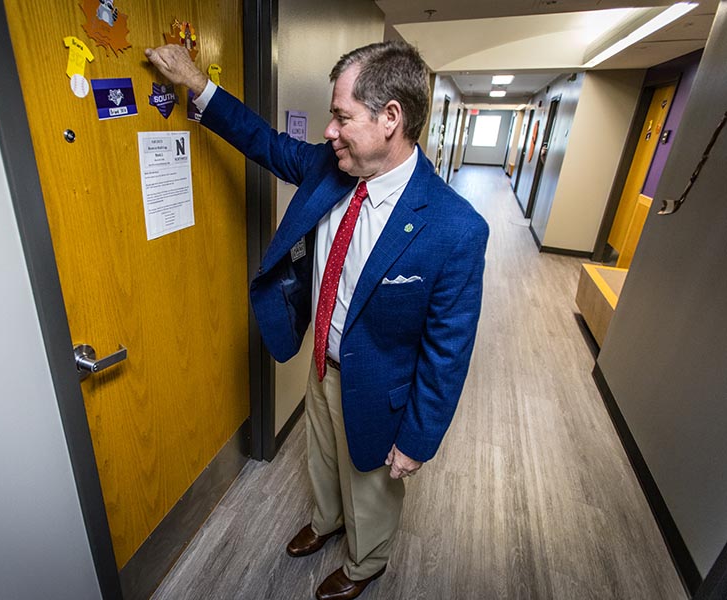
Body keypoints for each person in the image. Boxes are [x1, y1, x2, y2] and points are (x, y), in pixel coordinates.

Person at [146, 40, 488, 600]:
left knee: (371, 485)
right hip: (323, 363)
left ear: (391, 119)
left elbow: (448, 350)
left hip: (383, 388)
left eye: (342, 116)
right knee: (324, 457)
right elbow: (262, 141)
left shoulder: (455, 228)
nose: (329, 131)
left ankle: (365, 561)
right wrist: (193, 81)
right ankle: (328, 522)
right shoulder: (328, 170)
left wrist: (418, 440)